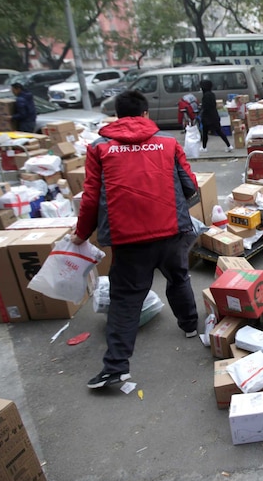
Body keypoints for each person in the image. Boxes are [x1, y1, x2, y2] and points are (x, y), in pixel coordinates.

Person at [72, 90, 200, 389]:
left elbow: (90, 198)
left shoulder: (100, 148)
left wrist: (81, 235)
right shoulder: (168, 143)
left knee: (126, 300)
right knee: (178, 277)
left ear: (117, 115)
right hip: (170, 231)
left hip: (128, 239)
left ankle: (116, 367)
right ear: (145, 114)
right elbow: (190, 185)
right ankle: (190, 326)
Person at [198, 80, 232, 152]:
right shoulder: (212, 94)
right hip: (214, 116)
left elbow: (205, 107)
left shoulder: (205, 96)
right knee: (219, 131)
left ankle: (204, 147)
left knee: (205, 132)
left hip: (207, 117)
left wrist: (201, 111)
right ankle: (229, 145)